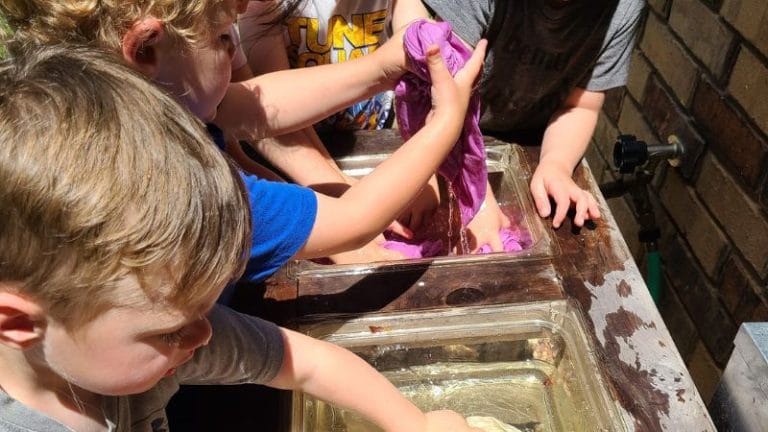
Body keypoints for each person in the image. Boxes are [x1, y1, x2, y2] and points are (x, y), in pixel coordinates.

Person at [0, 43, 482, 432]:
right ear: (18, 323)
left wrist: (414, 422)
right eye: (171, 327)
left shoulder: (153, 337)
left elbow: (307, 362)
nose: (205, 332)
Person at [0, 0, 485, 282]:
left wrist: (384, 65)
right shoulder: (165, 180)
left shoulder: (144, 103)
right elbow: (351, 224)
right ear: (145, 47)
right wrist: (443, 125)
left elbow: (253, 103)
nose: (236, 54)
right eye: (223, 39)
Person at [239, 0, 514, 252]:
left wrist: (432, 177)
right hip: (299, 167)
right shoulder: (262, 5)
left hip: (376, 139)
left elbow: (424, 76)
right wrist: (346, 197)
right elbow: (270, 120)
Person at [412, 0, 644, 229]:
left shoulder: (624, 8)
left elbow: (579, 106)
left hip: (527, 139)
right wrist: (474, 197)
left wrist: (557, 164)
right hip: (440, 124)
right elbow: (443, 96)